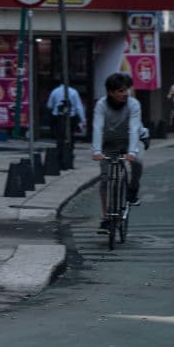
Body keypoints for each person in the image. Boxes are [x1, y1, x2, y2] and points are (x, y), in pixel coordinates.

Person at [91, 72, 144, 234]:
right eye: (120, 91)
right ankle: (107, 217)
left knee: (138, 163)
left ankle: (133, 189)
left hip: (128, 141)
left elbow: (135, 127)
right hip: (109, 143)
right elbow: (97, 127)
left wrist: (133, 151)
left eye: (126, 90)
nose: (124, 94)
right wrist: (97, 150)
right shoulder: (101, 105)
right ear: (110, 92)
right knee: (106, 178)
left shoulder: (133, 104)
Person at [45, 78, 86, 152]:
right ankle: (70, 149)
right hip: (71, 116)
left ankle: (60, 149)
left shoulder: (55, 91)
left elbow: (49, 105)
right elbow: (78, 107)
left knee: (59, 134)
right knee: (70, 134)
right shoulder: (73, 92)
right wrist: (83, 119)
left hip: (58, 116)